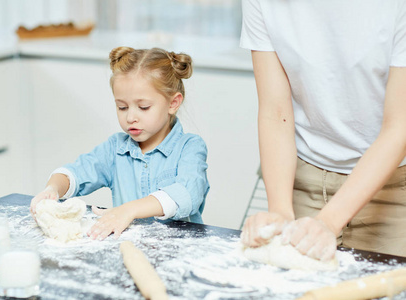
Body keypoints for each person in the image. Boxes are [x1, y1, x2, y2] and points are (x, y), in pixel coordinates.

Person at [240, 0, 406, 261]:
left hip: (392, 187)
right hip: (303, 176)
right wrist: (280, 211)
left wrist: (329, 221)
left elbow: (399, 128)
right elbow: (275, 113)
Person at [30, 46, 210, 240]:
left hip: (179, 254)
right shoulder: (115, 149)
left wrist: (128, 210)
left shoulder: (189, 147)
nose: (131, 117)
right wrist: (53, 189)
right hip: (128, 246)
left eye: (143, 107)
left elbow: (188, 193)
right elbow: (77, 173)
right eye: (122, 107)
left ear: (173, 103)